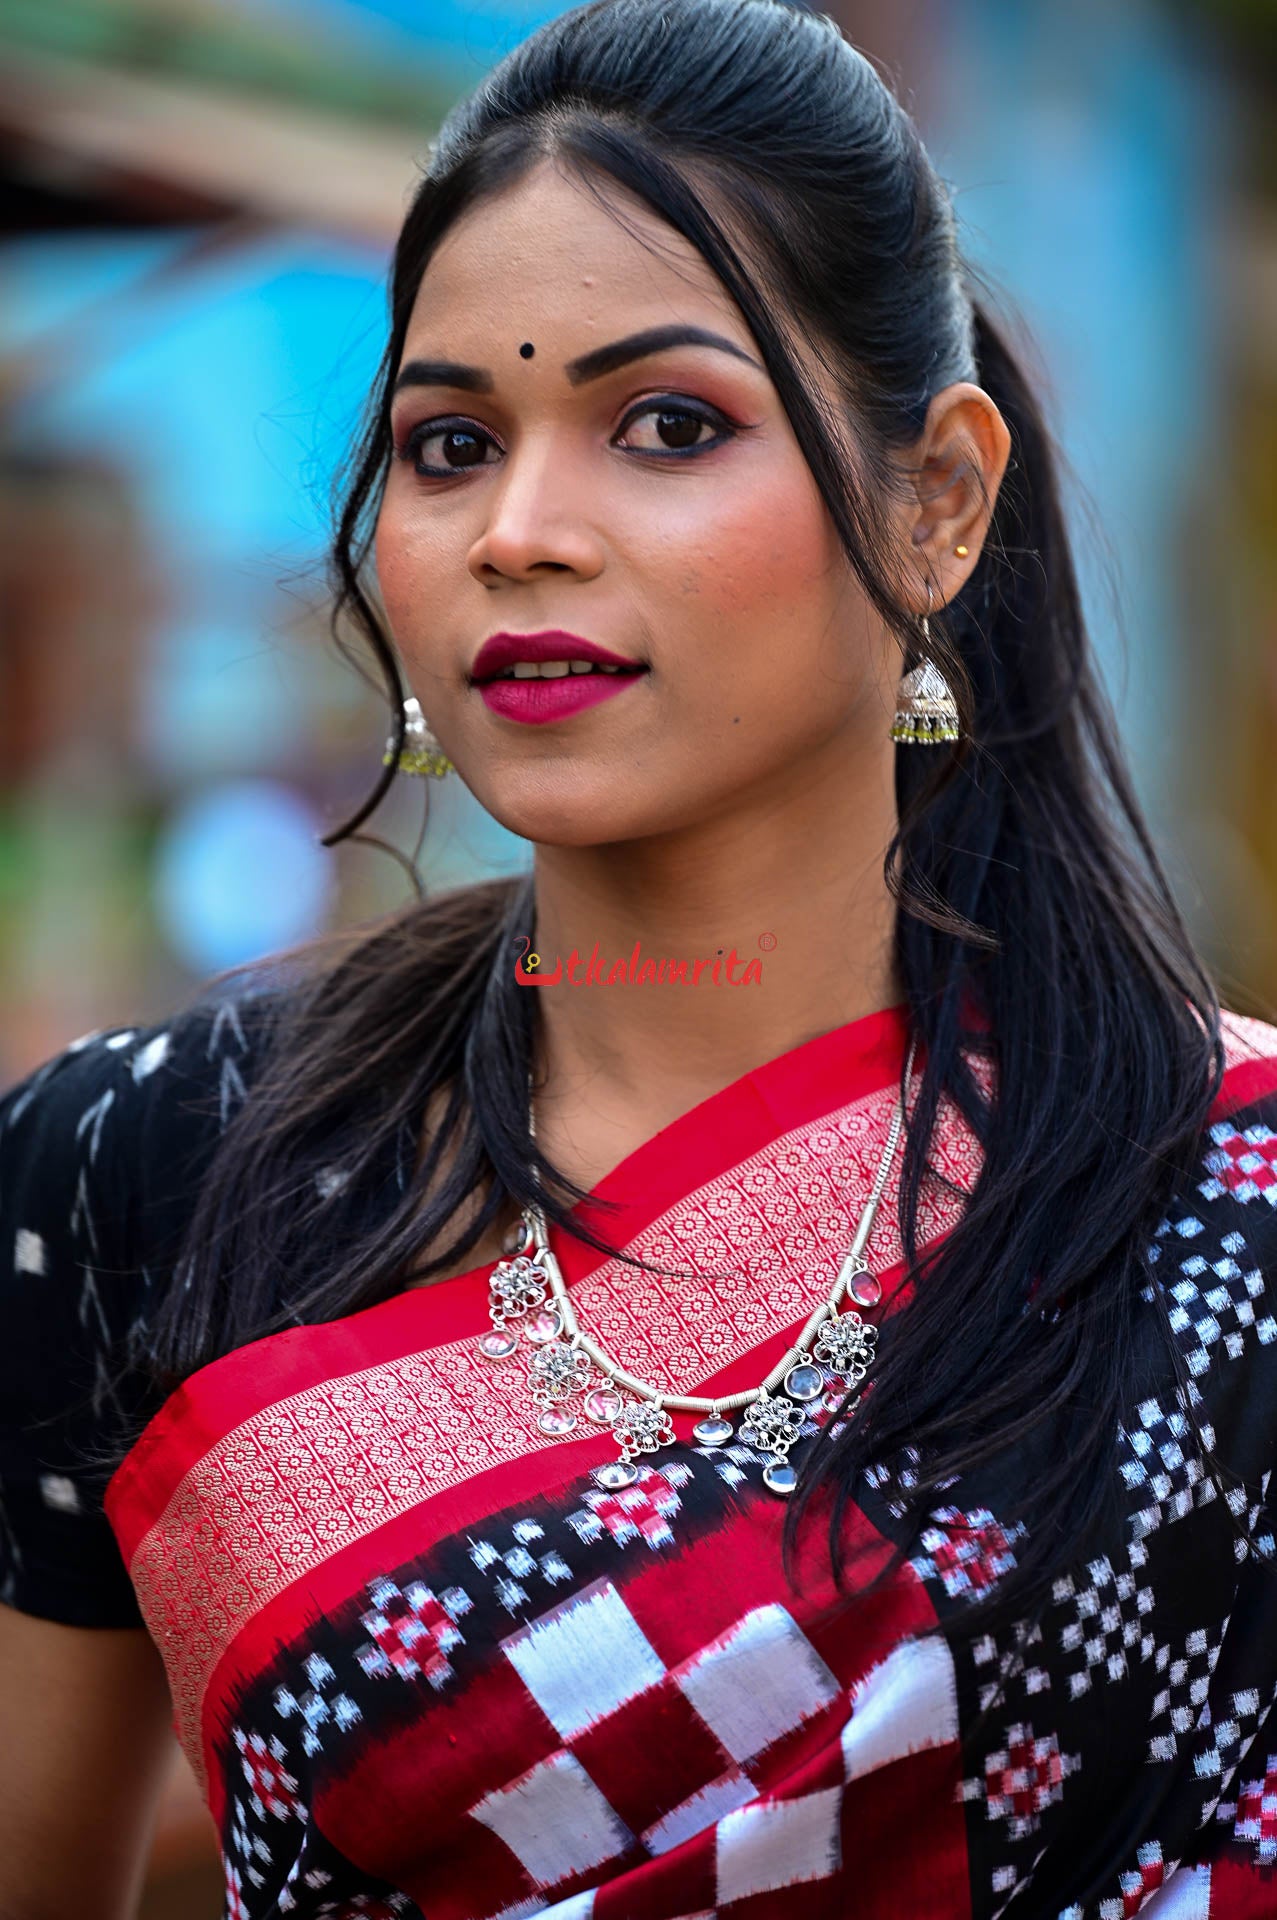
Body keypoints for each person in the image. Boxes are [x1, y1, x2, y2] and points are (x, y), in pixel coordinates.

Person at [3, 1, 1276, 1915]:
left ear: (935, 501)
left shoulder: (1222, 1202)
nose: (519, 533)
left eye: (666, 424)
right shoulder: (139, 1177)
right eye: (449, 444)